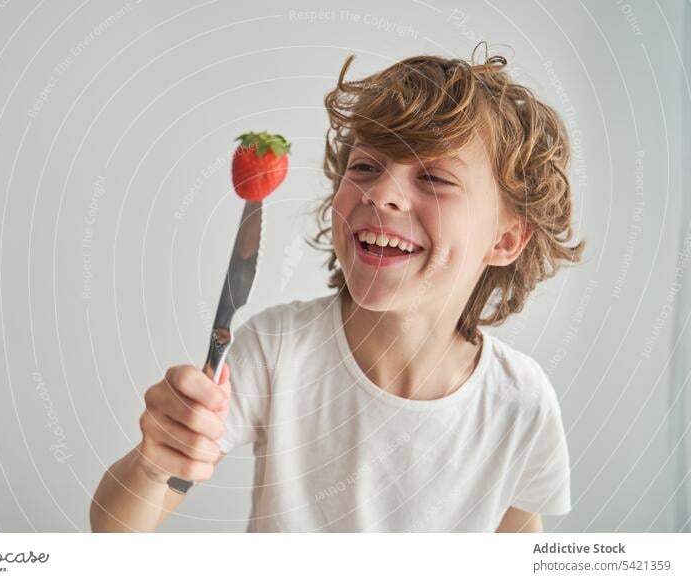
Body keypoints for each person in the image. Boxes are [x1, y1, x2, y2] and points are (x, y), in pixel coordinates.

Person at [90, 42, 586, 533]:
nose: (382, 193)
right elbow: (116, 529)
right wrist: (157, 465)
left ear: (505, 239)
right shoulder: (277, 351)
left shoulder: (521, 402)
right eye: (366, 167)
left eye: (434, 177)